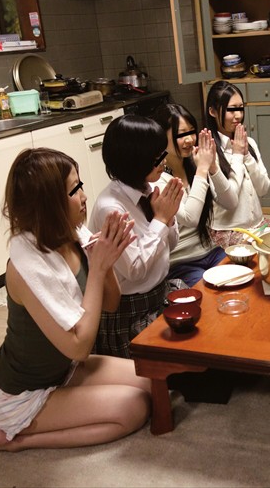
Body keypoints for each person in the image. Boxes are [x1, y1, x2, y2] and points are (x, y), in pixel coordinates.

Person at [0, 148, 151, 451]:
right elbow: (79, 347)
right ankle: (16, 440)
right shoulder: (24, 267)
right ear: (49, 203)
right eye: (74, 189)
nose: (84, 196)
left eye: (80, 186)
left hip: (63, 372)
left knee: (150, 382)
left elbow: (110, 303)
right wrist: (97, 269)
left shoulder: (73, 237)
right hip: (18, 395)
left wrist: (105, 258)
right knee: (134, 407)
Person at [89, 115, 183, 358]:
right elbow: (135, 270)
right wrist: (160, 219)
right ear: (134, 159)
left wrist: (168, 219)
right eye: (157, 157)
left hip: (160, 292)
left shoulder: (148, 189)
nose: (164, 161)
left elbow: (171, 246)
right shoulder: (111, 208)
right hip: (130, 310)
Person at [152, 103, 236, 287]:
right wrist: (203, 169)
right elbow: (190, 218)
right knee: (212, 290)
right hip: (180, 261)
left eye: (192, 132)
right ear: (161, 136)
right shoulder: (157, 177)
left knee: (239, 277)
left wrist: (212, 167)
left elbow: (231, 202)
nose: (190, 139)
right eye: (181, 135)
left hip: (210, 251)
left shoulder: (195, 163)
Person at [204, 81, 270, 248]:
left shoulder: (249, 143)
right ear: (212, 111)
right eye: (231, 109)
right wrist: (237, 155)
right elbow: (230, 200)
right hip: (228, 231)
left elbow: (264, 188)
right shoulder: (209, 151)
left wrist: (246, 155)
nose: (238, 115)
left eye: (240, 108)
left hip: (256, 226)